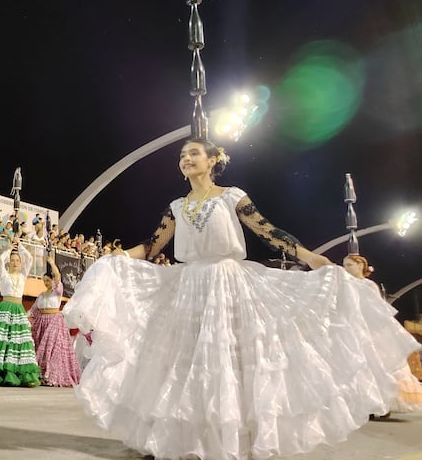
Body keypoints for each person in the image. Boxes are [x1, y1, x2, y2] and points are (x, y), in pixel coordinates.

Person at [62, 138, 422, 460]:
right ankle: (186, 440)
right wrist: (120, 256)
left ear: (212, 159)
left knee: (229, 362)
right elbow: (152, 245)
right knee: (186, 364)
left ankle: (233, 441)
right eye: (182, 156)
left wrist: (310, 257)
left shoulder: (232, 196)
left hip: (228, 282)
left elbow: (269, 232)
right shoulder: (176, 206)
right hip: (188, 286)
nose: (185, 159)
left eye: (193, 154)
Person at [342, 254, 422, 414]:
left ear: (360, 266)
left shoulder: (368, 285)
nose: (346, 268)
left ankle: (384, 402)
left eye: (349, 265)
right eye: (344, 265)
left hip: (371, 331)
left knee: (379, 363)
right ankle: (365, 403)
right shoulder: (346, 285)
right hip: (353, 329)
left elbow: (376, 309)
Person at [0, 239, 40, 387]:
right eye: (12, 260)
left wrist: (20, 245)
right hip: (5, 308)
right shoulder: (4, 274)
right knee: (2, 342)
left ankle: (19, 374)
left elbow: (30, 258)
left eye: (17, 260)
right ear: (9, 262)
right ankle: (1, 373)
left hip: (18, 309)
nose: (15, 263)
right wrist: (9, 249)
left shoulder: (23, 275)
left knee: (18, 343)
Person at [28, 252, 81, 387]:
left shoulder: (57, 291)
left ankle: (51, 375)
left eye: (48, 280)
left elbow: (58, 276)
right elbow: (33, 309)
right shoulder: (41, 295)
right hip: (41, 322)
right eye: (44, 281)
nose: (46, 283)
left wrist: (52, 263)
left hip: (54, 322)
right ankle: (41, 373)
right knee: (41, 346)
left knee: (51, 349)